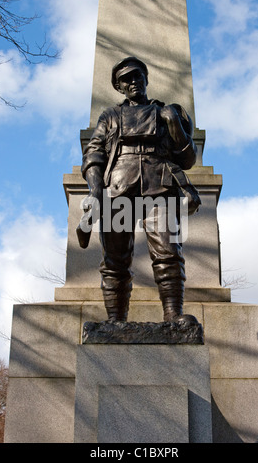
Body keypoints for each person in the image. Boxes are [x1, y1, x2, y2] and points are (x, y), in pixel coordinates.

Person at [81, 57, 200, 323]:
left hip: (160, 185)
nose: (133, 82)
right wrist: (95, 191)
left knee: (168, 252)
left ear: (146, 79)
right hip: (117, 187)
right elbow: (94, 154)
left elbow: (188, 159)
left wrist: (175, 127)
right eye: (126, 79)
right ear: (119, 87)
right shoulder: (110, 116)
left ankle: (173, 315)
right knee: (114, 260)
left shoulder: (169, 112)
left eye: (137, 76)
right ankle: (115, 320)